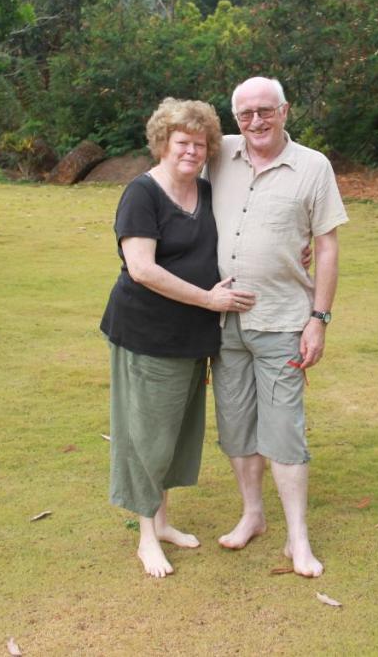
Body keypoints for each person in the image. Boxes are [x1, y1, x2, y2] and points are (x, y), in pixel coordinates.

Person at [100, 98, 257, 578]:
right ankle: (147, 537)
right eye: (182, 142)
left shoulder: (206, 192)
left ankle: (163, 523)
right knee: (148, 436)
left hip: (192, 338)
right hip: (147, 334)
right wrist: (209, 302)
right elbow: (143, 269)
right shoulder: (142, 194)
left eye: (200, 143)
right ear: (163, 144)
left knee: (174, 435)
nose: (191, 151)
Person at [208, 76, 348, 578]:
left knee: (284, 431)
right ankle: (253, 515)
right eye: (245, 114)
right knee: (237, 427)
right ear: (234, 118)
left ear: (285, 110)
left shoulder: (313, 166)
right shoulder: (217, 153)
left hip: (285, 321)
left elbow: (327, 245)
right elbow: (170, 155)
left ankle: (298, 539)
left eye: (265, 111)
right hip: (223, 323)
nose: (256, 122)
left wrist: (320, 318)